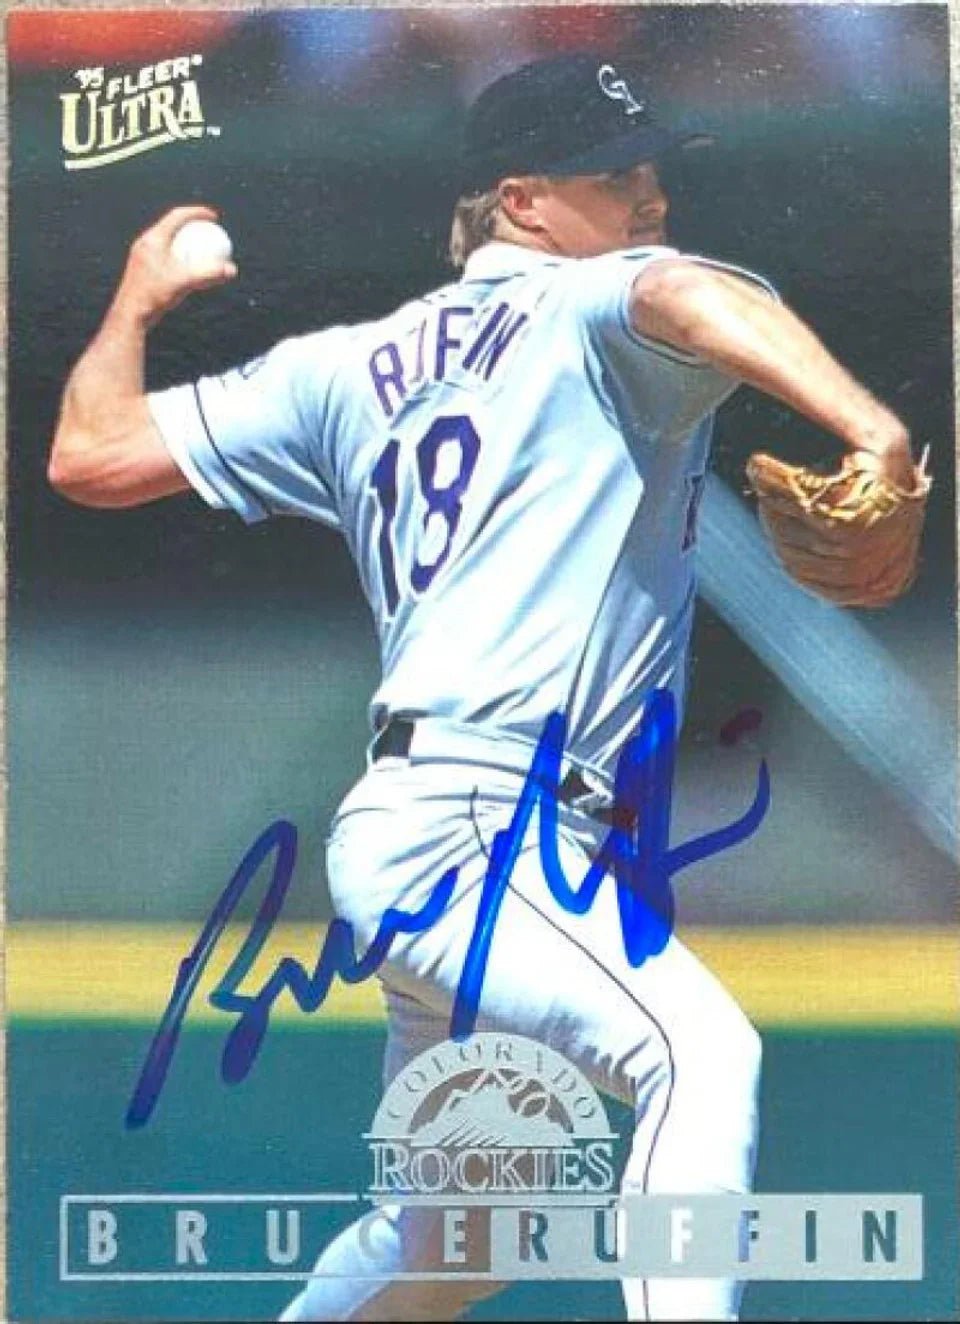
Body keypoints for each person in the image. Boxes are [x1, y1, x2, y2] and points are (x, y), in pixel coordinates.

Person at [49, 52, 920, 1323]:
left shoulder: (342, 366)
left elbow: (92, 450)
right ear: (520, 201)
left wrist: (135, 301)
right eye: (611, 175)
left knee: (456, 1238)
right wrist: (873, 429)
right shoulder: (592, 299)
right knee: (696, 1051)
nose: (648, 194)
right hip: (482, 827)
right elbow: (684, 291)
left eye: (648, 166)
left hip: (439, 829)